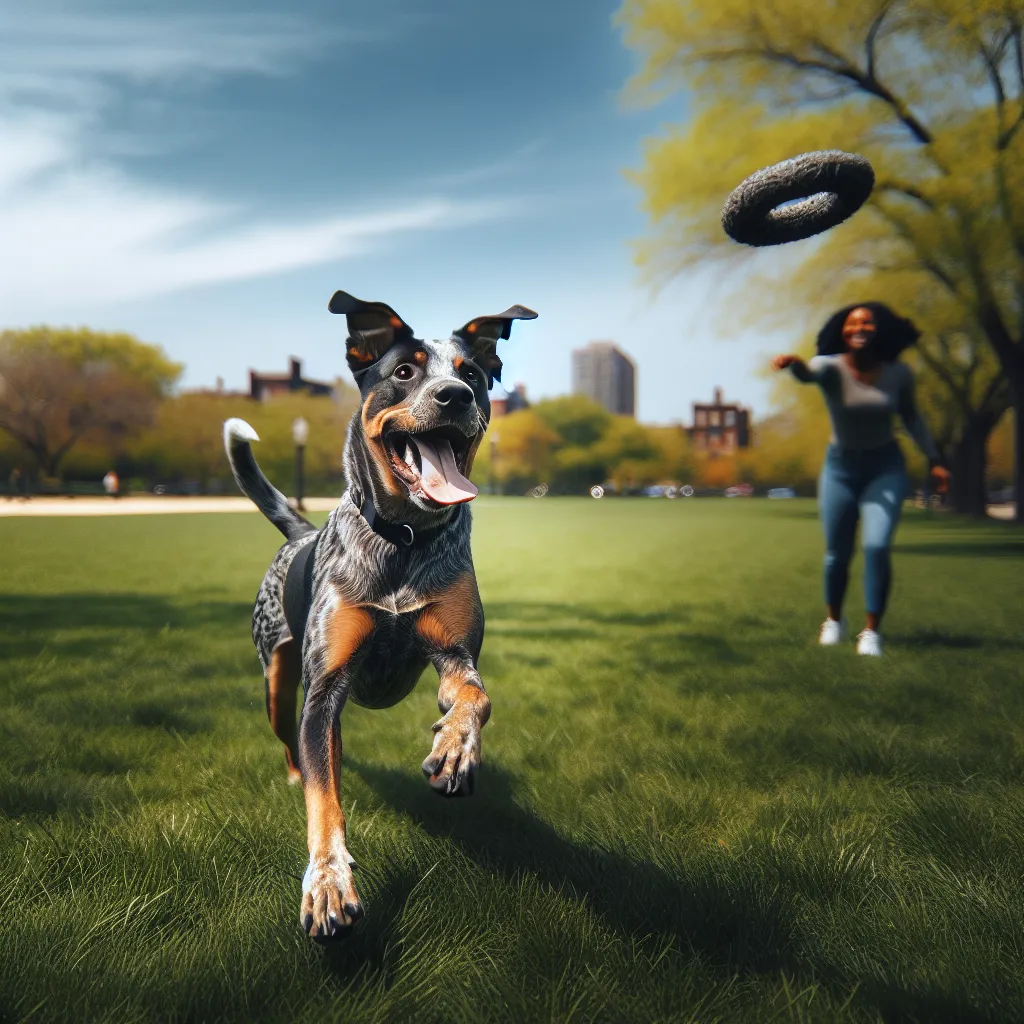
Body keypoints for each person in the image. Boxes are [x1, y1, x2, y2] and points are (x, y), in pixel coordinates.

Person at [772, 303, 951, 656]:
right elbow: (809, 374)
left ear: (878, 329)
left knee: (876, 546)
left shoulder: (899, 373)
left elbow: (912, 417)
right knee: (836, 554)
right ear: (842, 330)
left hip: (885, 469)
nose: (860, 327)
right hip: (839, 469)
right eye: (853, 322)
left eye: (867, 321)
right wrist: (794, 365)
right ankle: (834, 621)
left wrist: (935, 460)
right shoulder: (829, 367)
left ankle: (871, 633)